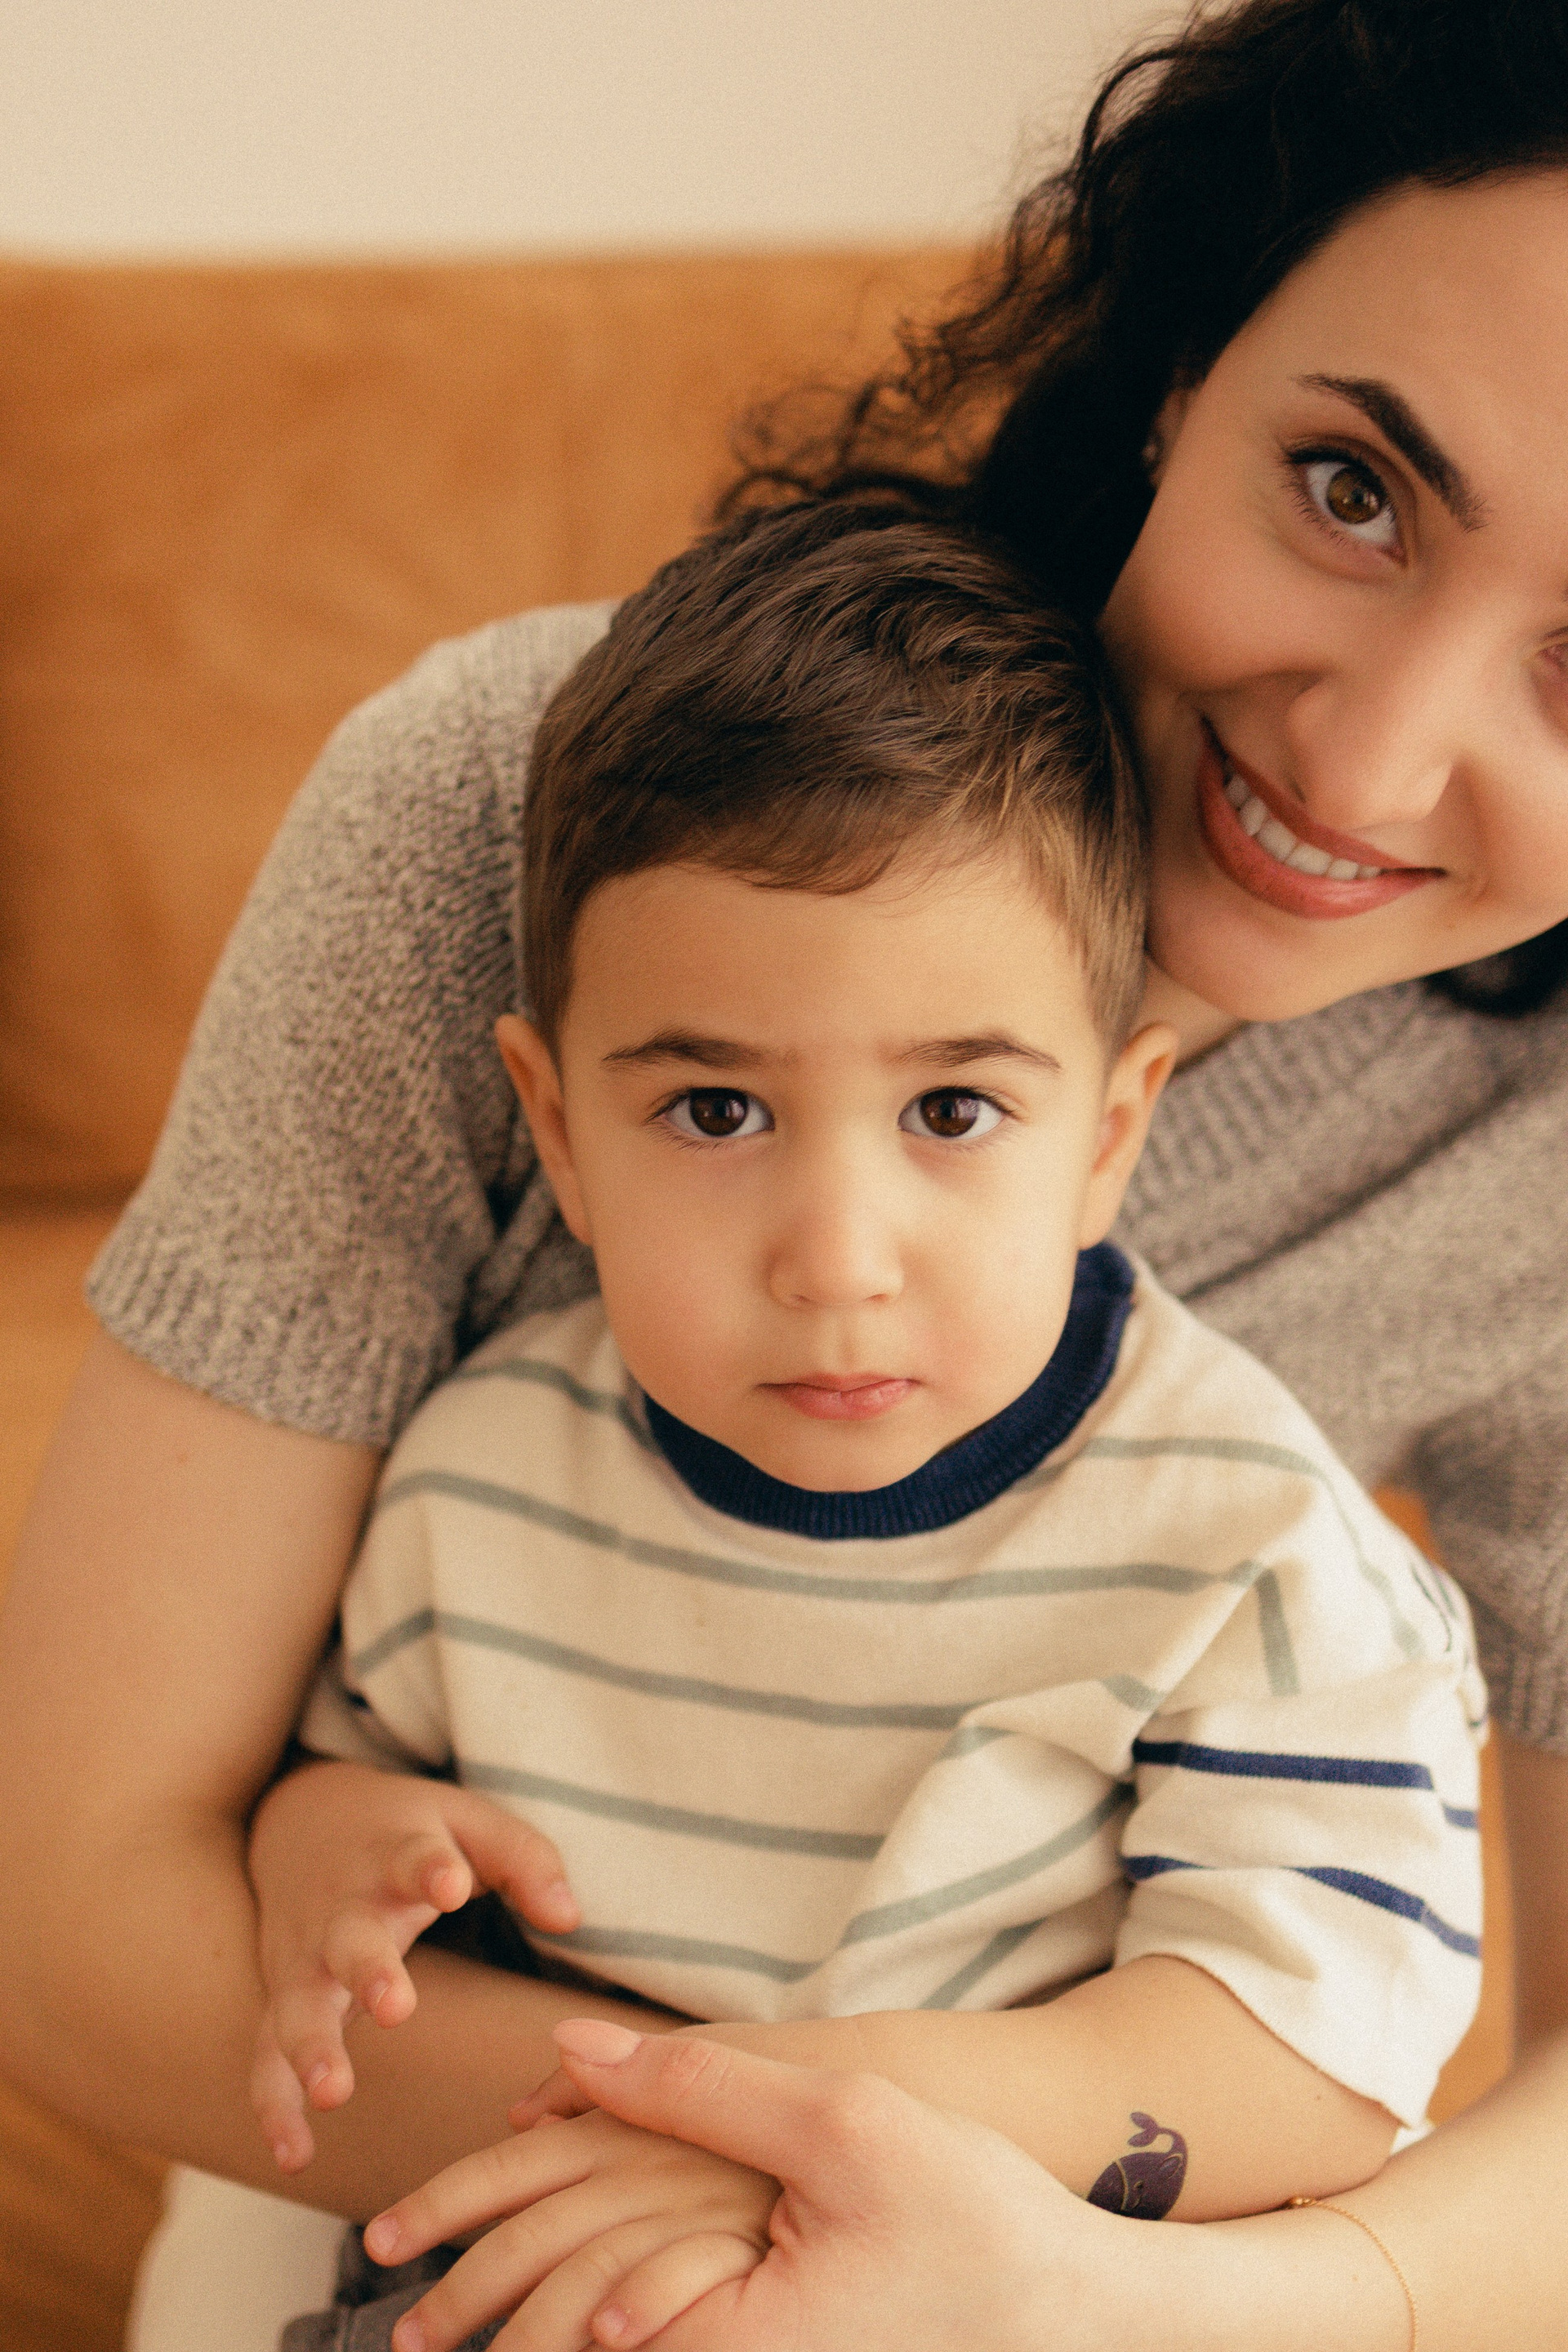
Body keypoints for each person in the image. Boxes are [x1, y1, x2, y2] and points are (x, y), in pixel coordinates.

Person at [2, 1, 1566, 2346]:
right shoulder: (532, 800)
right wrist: (763, 2160)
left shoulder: (1427, 1319)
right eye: (1351, 488)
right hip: (403, 2225)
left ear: (1111, 1124)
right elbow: (82, 1928)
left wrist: (1045, 2273)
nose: (1370, 757)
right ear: (1184, 365)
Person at [240, 503, 1480, 2352]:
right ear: (559, 1128)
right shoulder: (482, 1479)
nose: (835, 1261)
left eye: (953, 1113)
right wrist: (328, 1852)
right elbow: (344, 1769)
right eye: (716, 1113)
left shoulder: (1250, 1542)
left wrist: (800, 2128)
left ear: (1111, 1133)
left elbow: (1312, 2053)